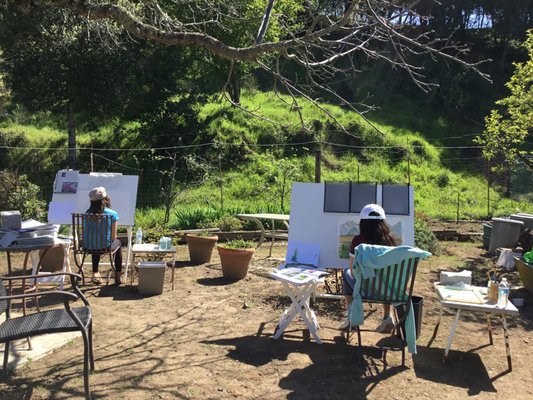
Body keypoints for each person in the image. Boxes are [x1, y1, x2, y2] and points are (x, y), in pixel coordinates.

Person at [340, 203, 397, 333]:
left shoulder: (358, 241)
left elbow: (353, 271)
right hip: (386, 290)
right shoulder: (390, 242)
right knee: (384, 279)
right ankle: (388, 316)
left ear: (363, 222)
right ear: (383, 222)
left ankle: (351, 318)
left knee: (346, 273)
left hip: (364, 289)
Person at [85, 186, 123, 285]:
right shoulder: (112, 214)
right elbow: (113, 237)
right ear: (105, 199)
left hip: (88, 246)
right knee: (118, 244)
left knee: (95, 243)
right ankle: (118, 273)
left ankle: (95, 272)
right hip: (105, 246)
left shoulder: (87, 214)